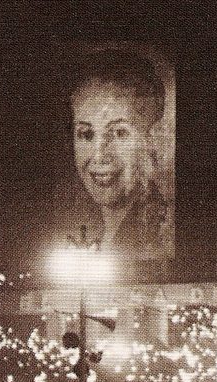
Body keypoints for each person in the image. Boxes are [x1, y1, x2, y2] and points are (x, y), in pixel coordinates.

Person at [57, 48, 172, 260]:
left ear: (150, 139)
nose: (100, 155)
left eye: (119, 133)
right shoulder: (89, 230)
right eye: (86, 134)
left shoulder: (161, 231)